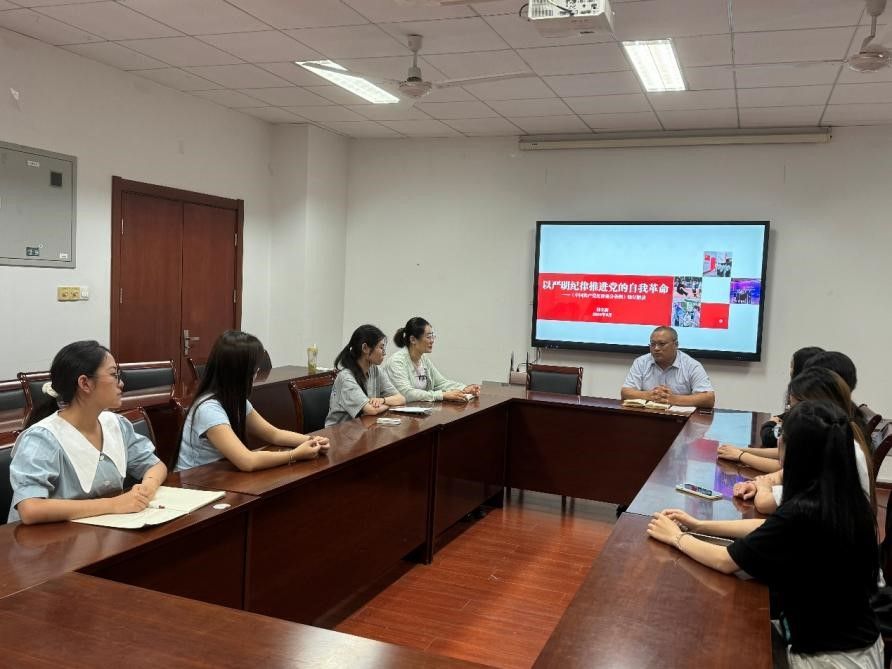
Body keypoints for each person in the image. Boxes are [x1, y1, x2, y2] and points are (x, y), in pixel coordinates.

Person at [648, 400, 883, 668]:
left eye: (782, 436)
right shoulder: (842, 499)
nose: (777, 442)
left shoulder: (803, 511)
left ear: (796, 453)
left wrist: (677, 538)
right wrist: (700, 526)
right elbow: (766, 529)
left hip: (826, 658)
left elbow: (725, 561)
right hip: (859, 644)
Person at [8, 340, 168, 524]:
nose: (121, 383)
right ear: (85, 383)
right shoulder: (42, 438)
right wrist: (113, 504)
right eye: (114, 375)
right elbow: (30, 509)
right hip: (47, 538)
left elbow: (155, 466)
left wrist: (147, 487)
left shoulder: (115, 424)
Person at [173, 331, 328, 472]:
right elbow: (247, 461)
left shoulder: (235, 400)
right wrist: (294, 455)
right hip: (193, 484)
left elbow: (274, 434)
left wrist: (312, 441)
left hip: (218, 475)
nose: (257, 373)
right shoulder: (208, 409)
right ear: (241, 372)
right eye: (255, 369)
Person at [725, 367, 872, 513]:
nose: (789, 412)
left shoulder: (835, 452)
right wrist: (757, 484)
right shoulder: (833, 437)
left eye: (793, 405)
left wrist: (762, 486)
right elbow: (783, 473)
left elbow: (764, 503)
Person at [383, 317, 480, 403]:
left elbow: (440, 383)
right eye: (428, 337)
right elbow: (406, 394)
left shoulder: (423, 359)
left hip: (418, 411)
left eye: (433, 336)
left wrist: (464, 388)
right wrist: (442, 395)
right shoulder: (397, 362)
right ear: (413, 340)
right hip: (394, 414)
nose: (432, 340)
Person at [326, 324, 406, 427]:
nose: (384, 353)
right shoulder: (346, 377)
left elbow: (401, 399)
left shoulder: (376, 370)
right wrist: (389, 404)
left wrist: (383, 400)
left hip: (362, 427)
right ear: (365, 348)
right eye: (381, 347)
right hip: (339, 432)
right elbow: (371, 410)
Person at [621, 326, 715, 408]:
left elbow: (708, 398)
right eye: (653, 344)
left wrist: (673, 399)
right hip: (648, 415)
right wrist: (650, 395)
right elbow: (625, 392)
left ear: (676, 345)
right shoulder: (641, 362)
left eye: (662, 344)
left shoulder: (692, 365)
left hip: (679, 418)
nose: (656, 348)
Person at [758, 346, 824, 449]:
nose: (790, 371)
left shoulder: (808, 404)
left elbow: (771, 439)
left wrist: (770, 424)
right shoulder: (821, 397)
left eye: (792, 366)